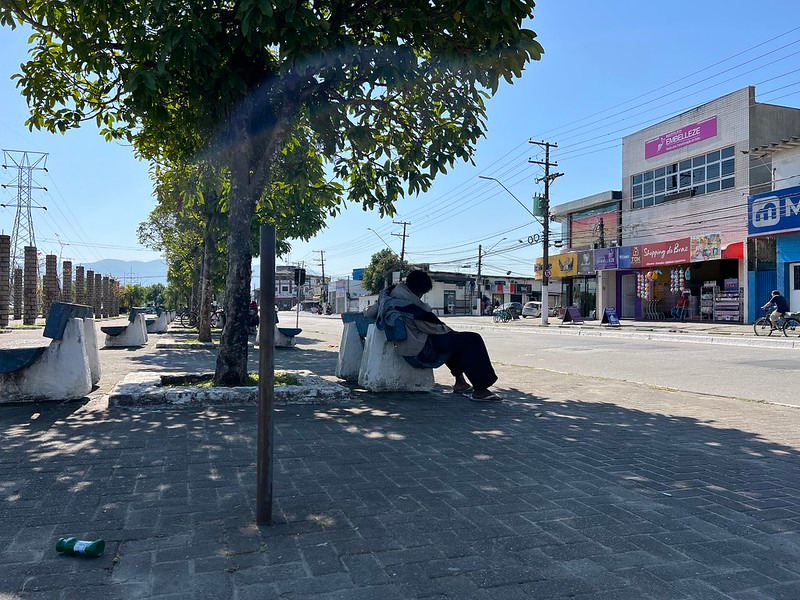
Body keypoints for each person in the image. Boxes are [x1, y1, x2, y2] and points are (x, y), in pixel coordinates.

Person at [365, 270, 501, 402]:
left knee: (454, 341)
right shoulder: (412, 307)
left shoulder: (388, 298)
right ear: (418, 290)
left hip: (408, 346)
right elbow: (436, 328)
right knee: (472, 339)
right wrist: (452, 333)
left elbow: (369, 313)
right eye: (422, 293)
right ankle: (481, 389)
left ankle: (460, 383)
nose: (421, 296)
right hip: (420, 351)